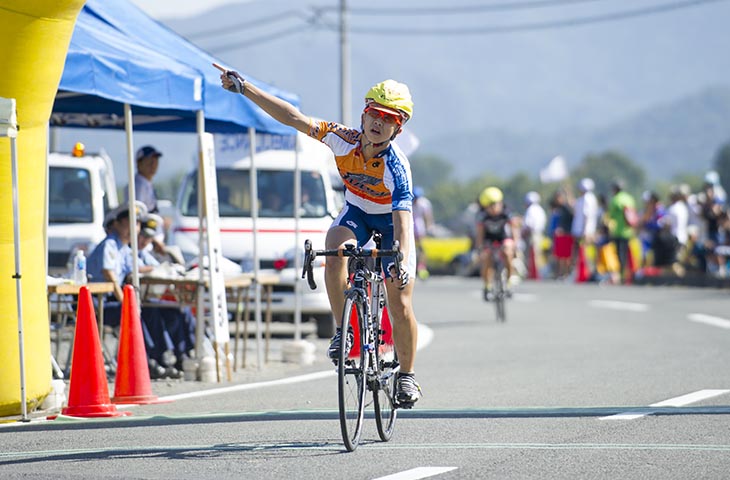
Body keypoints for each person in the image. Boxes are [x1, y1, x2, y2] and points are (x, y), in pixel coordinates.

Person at [219, 69, 422, 406]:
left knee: (400, 301)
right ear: (364, 114)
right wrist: (246, 89)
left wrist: (399, 258)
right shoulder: (342, 138)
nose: (378, 123)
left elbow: (402, 221)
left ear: (397, 129)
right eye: (374, 113)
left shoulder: (396, 166)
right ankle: (345, 332)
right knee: (333, 252)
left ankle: (407, 376)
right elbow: (293, 117)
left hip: (390, 222)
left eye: (388, 119)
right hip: (356, 212)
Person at [475, 187, 517, 301]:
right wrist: (480, 249)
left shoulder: (506, 212)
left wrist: (515, 245)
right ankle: (487, 287)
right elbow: (480, 235)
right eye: (490, 205)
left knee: (508, 253)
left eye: (496, 204)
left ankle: (509, 283)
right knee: (487, 259)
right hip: (488, 239)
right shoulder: (482, 216)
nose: (494, 207)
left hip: (503, 237)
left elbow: (513, 230)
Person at [607, 179, 637, 283]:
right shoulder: (629, 198)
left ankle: (621, 275)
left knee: (620, 255)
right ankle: (628, 276)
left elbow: (611, 216)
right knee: (628, 254)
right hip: (629, 231)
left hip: (619, 231)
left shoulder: (616, 199)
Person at [570, 178, 599, 279]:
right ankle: (583, 273)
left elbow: (586, 216)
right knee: (583, 253)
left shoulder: (587, 198)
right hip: (583, 230)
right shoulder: (587, 198)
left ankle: (587, 273)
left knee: (584, 253)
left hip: (583, 231)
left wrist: (585, 230)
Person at [522, 191, 547, 278]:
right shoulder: (540, 209)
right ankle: (538, 274)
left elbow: (528, 225)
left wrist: (523, 234)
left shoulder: (531, 209)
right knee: (538, 254)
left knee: (532, 254)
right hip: (539, 234)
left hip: (532, 234)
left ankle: (533, 274)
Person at [412, 186, 434, 279]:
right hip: (411, 226)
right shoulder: (409, 202)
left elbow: (427, 216)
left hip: (420, 227)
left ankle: (422, 267)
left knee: (422, 249)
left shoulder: (424, 204)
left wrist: (429, 226)